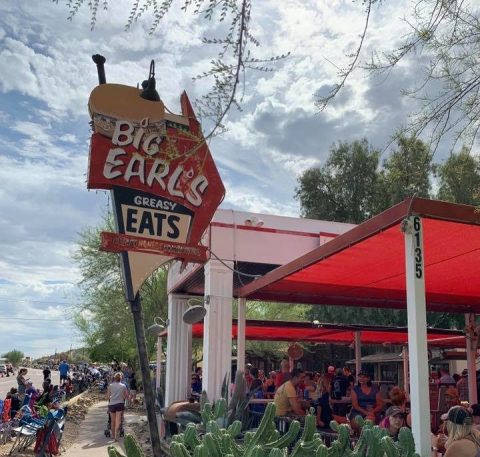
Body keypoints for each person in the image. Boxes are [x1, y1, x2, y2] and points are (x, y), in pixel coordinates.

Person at [107, 372, 129, 441]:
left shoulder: (110, 385)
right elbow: (126, 396)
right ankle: (116, 436)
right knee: (118, 421)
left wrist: (113, 396)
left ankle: (113, 435)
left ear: (114, 378)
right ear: (121, 379)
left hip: (112, 404)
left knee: (112, 421)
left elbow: (108, 396)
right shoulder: (123, 386)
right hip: (120, 404)